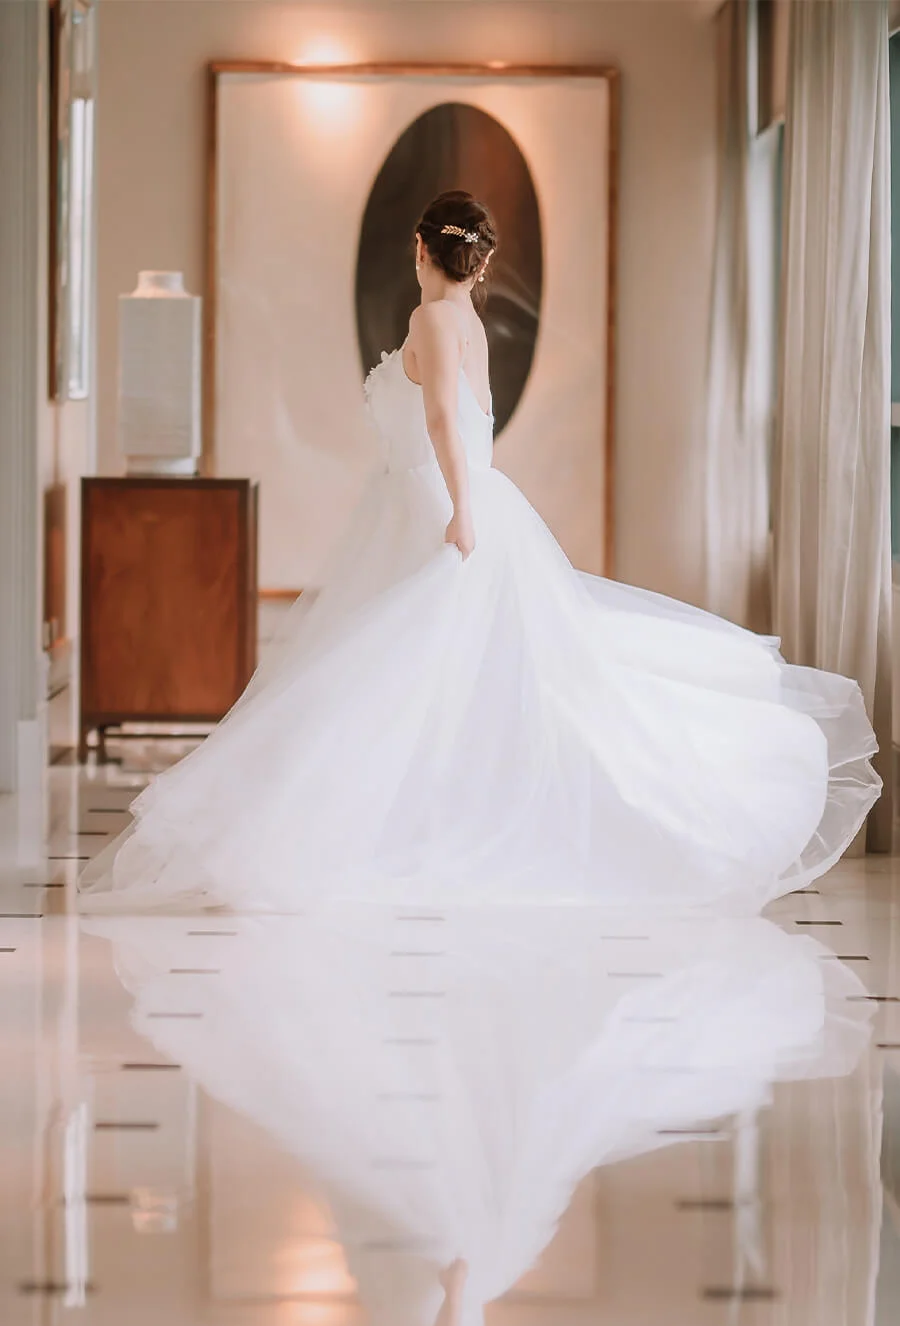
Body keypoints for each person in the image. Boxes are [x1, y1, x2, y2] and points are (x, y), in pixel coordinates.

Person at [79, 190, 880, 915]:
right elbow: (474, 422)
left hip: (440, 504)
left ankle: (394, 830)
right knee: (429, 674)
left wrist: (461, 512)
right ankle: (413, 819)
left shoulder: (431, 320)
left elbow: (445, 426)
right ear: (480, 261)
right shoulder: (466, 321)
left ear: (422, 251)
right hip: (447, 500)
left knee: (400, 670)